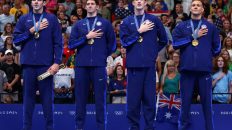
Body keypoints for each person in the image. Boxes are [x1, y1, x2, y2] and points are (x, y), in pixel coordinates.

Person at [13, 0, 63, 129]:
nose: (36, 2)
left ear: (44, 2)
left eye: (39, 0)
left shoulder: (52, 19)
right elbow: (16, 41)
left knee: (47, 102)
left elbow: (58, 43)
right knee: (28, 102)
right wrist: (31, 30)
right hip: (28, 66)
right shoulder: (24, 19)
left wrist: (57, 62)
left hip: (45, 67)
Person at [172, 0, 221, 130]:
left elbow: (217, 48)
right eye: (193, 5)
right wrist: (193, 36)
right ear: (190, 8)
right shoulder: (182, 26)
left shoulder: (211, 28)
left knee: (207, 107)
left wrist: (205, 55)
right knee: (185, 106)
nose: (195, 7)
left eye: (198, 5)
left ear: (203, 9)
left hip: (204, 72)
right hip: (187, 72)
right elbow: (175, 44)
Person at [119, 0, 167, 129]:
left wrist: (152, 52)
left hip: (149, 67)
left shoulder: (154, 20)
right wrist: (139, 31)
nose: (139, 1)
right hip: (133, 67)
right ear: (133, 3)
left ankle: (149, 127)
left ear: (145, 2)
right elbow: (124, 42)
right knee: (133, 103)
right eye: (136, 0)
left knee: (149, 102)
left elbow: (164, 40)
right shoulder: (127, 21)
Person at [68, 0, 116, 130]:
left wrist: (101, 55)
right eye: (88, 4)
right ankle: (79, 127)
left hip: (99, 66)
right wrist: (86, 37)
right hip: (81, 66)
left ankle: (101, 127)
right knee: (80, 100)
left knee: (100, 100)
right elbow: (71, 45)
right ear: (85, 6)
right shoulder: (78, 25)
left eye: (92, 4)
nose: (90, 5)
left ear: (97, 6)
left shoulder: (105, 24)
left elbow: (113, 44)